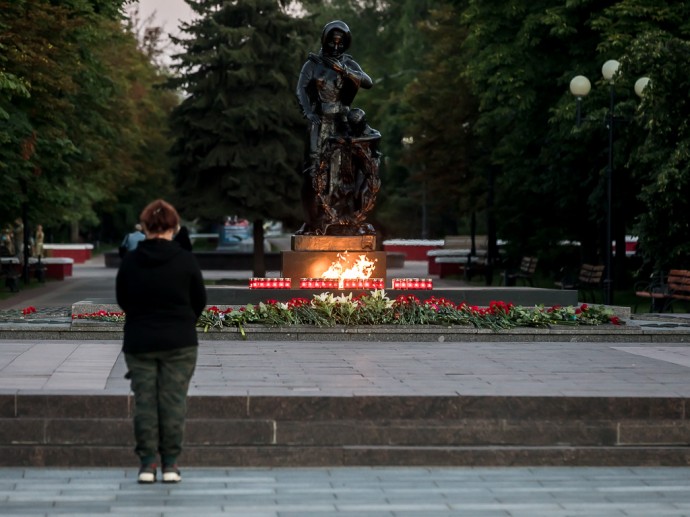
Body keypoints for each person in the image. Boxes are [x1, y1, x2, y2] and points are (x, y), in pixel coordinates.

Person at [116, 199, 207, 484]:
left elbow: (123, 299)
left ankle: (147, 464)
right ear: (175, 228)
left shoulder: (130, 262)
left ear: (144, 228)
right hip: (179, 341)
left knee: (145, 402)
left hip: (140, 341)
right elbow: (199, 301)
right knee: (173, 402)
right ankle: (170, 464)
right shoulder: (186, 260)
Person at [295, 20, 374, 235]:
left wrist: (346, 71)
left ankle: (340, 216)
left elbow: (368, 82)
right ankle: (312, 220)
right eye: (333, 42)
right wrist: (308, 113)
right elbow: (300, 89)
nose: (336, 47)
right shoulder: (313, 63)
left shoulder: (348, 63)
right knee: (313, 171)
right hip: (319, 122)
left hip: (341, 120)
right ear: (325, 40)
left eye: (341, 43)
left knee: (341, 171)